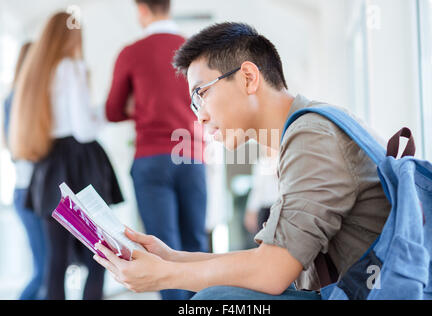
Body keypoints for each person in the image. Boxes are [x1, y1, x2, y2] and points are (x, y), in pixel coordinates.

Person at [93, 22, 391, 300]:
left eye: (202, 94)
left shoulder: (312, 138)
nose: (200, 116)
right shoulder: (307, 130)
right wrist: (170, 257)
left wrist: (165, 276)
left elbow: (271, 271)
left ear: (248, 78)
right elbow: (265, 260)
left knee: (215, 299)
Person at [9, 12, 124, 300]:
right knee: (100, 254)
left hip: (49, 166)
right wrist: (103, 115)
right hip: (80, 165)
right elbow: (84, 130)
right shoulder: (72, 68)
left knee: (56, 260)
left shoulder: (36, 74)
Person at [105, 0, 207, 300]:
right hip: (190, 154)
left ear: (142, 9)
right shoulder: (195, 51)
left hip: (150, 157)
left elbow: (112, 110)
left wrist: (138, 107)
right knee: (194, 245)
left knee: (161, 252)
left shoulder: (131, 53)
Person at [3, 42, 48, 300]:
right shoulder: (22, 98)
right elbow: (24, 150)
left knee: (45, 267)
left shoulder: (15, 97)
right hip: (31, 192)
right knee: (44, 270)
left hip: (27, 190)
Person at [244, 147, 279, 235]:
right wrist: (251, 211)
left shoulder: (283, 161)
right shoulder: (260, 163)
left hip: (280, 208)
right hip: (264, 210)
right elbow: (256, 190)